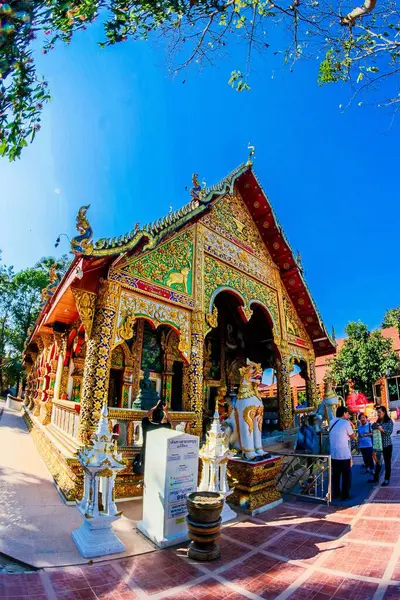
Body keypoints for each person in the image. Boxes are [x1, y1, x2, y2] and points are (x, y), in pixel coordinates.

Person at [132, 399, 172, 475]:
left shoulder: (147, 425)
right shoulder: (164, 427)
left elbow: (145, 415)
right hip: (158, 458)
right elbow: (170, 423)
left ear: (152, 416)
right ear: (162, 417)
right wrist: (166, 411)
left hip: (146, 456)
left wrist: (155, 407)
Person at [329, 406, 355, 500]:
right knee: (346, 476)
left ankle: (335, 493)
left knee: (335, 475)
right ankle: (345, 495)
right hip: (344, 454)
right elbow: (352, 436)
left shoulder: (332, 422)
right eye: (347, 413)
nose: (348, 415)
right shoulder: (346, 423)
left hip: (333, 454)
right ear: (344, 413)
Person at [368, 405, 394, 487]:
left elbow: (389, 432)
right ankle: (376, 477)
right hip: (379, 445)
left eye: (379, 412)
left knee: (387, 463)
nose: (378, 414)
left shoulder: (389, 421)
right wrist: (376, 425)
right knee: (378, 462)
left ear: (384, 412)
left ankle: (386, 479)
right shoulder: (378, 421)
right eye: (377, 412)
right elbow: (372, 427)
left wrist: (382, 429)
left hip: (387, 445)